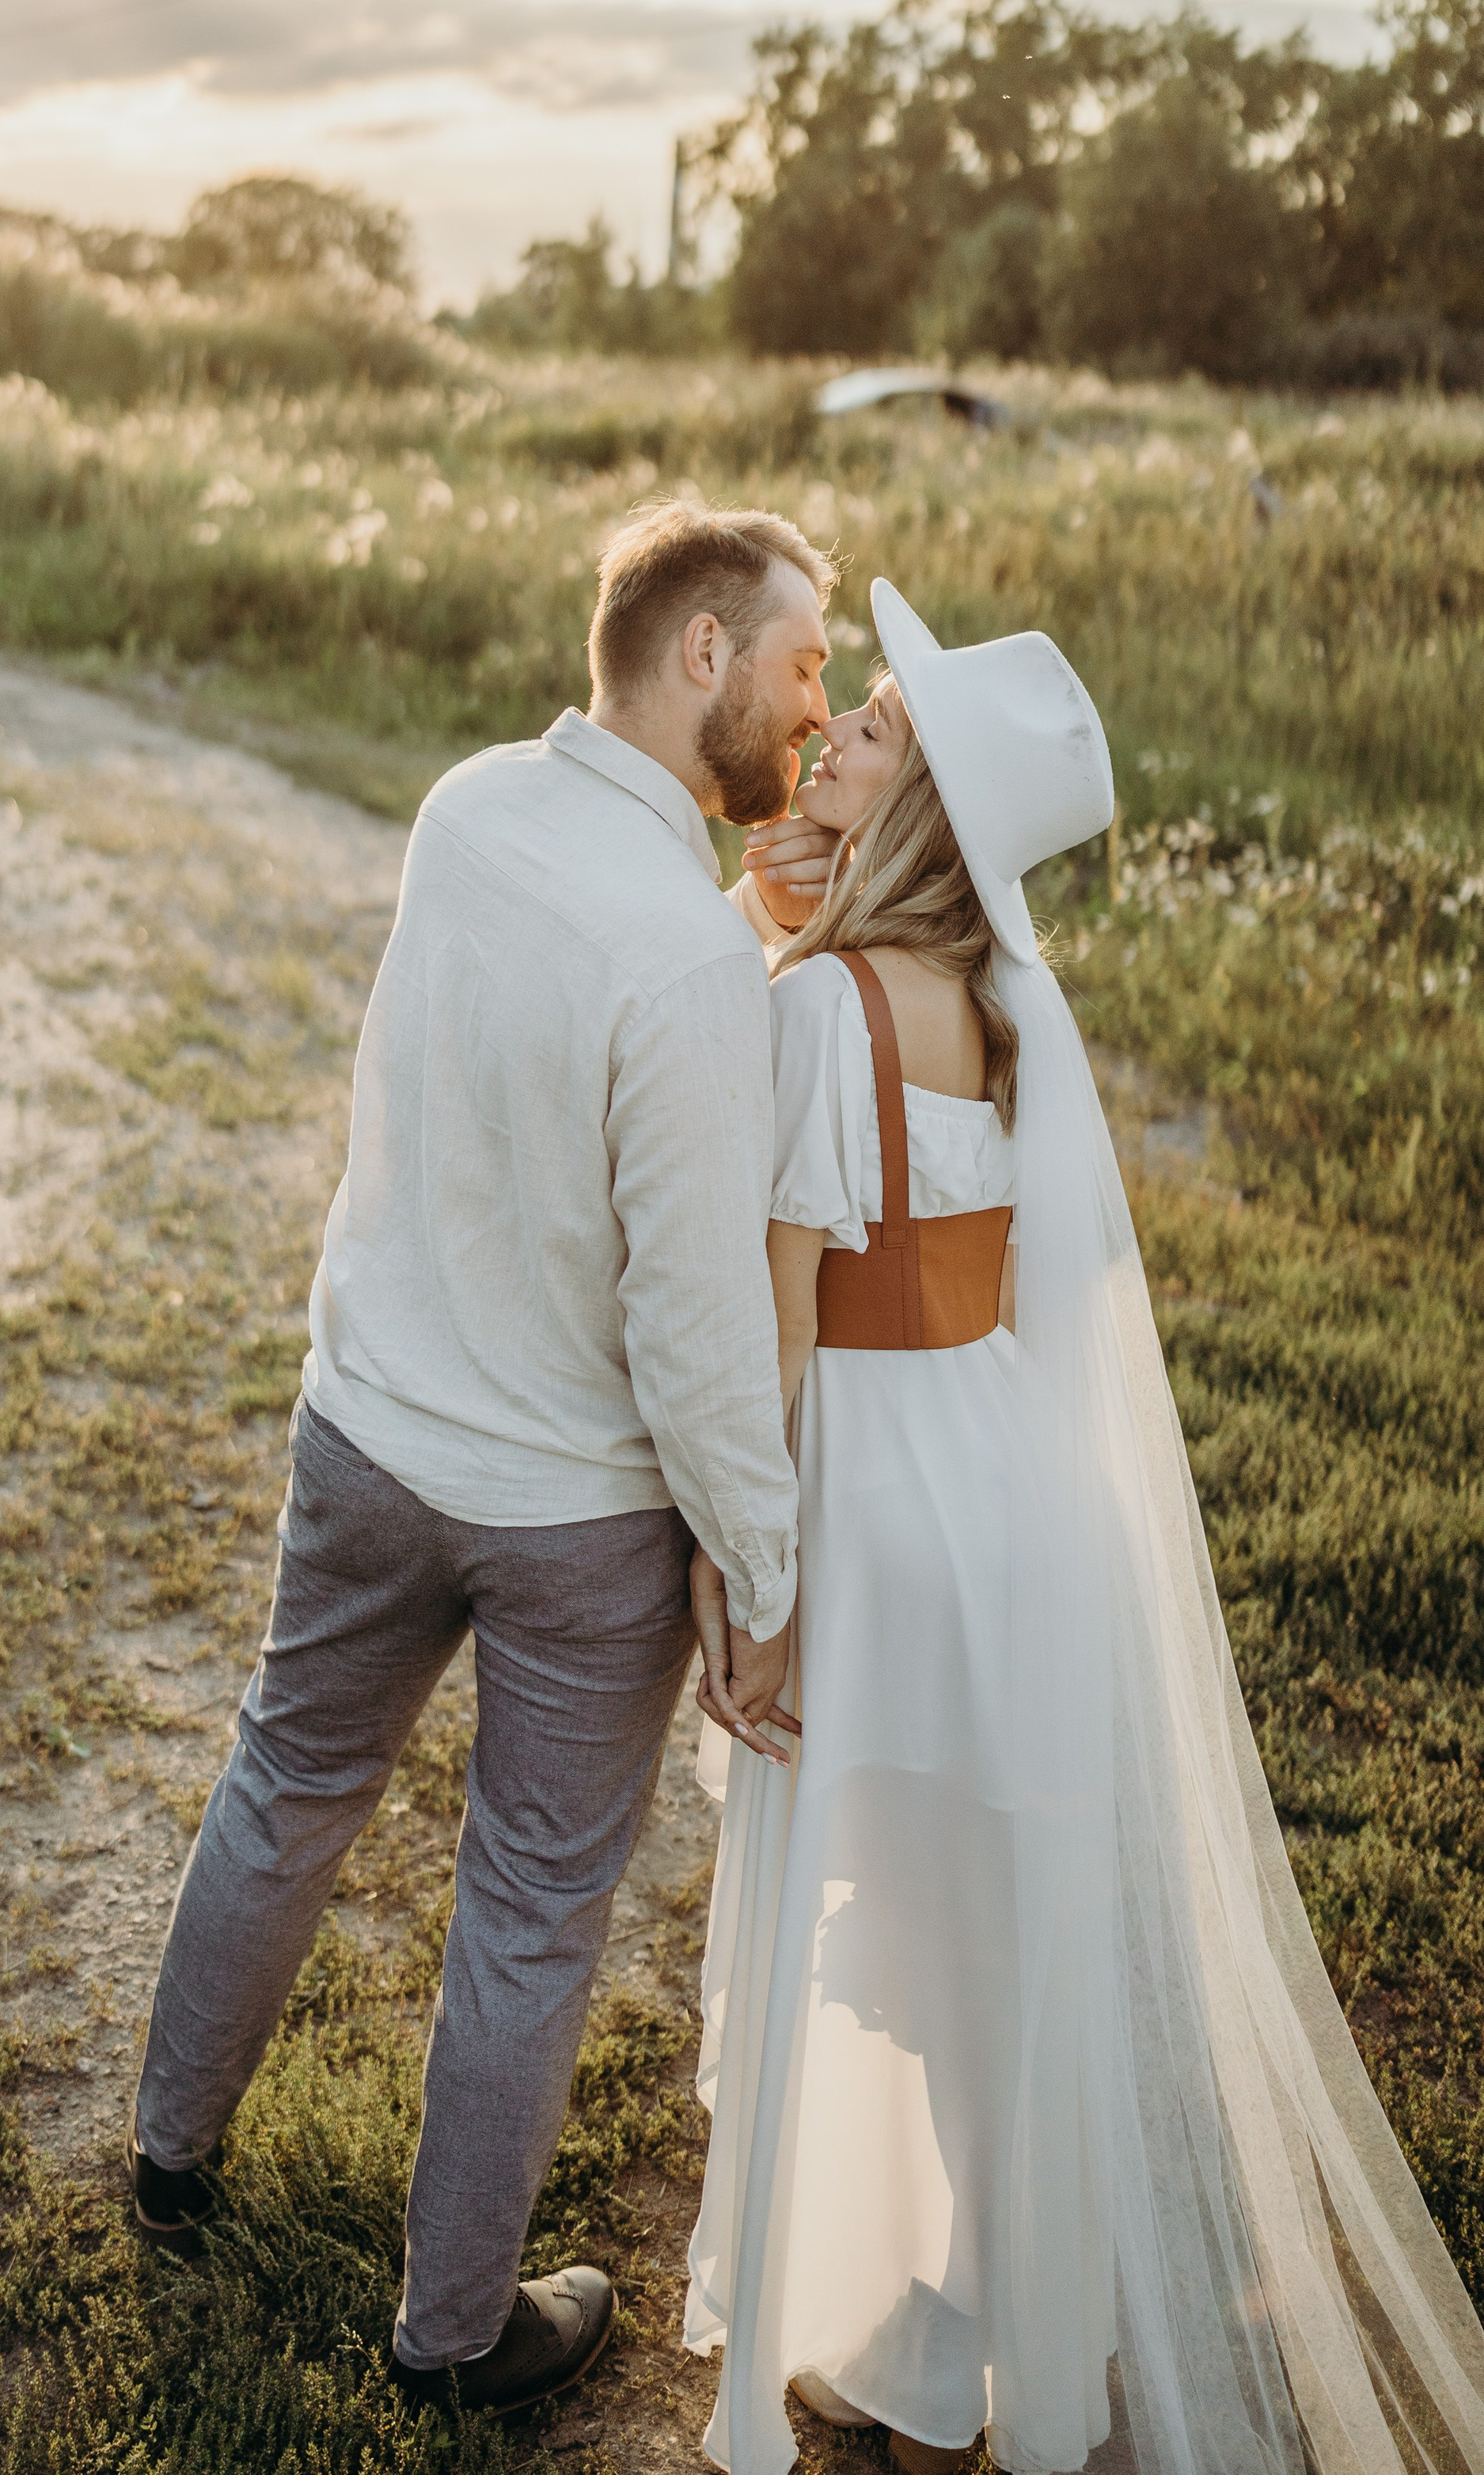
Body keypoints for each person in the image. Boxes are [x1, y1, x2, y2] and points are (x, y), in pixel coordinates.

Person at [685, 579, 1484, 2475]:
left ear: (926, 811)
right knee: (979, 1948)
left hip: (875, 1511)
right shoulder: (998, 1006)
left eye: (866, 729)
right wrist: (802, 879)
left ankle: (843, 2343)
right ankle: (997, 2324)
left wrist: (757, 1582)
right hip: (1017, 1515)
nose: (832, 739)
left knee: (830, 1911)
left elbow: (779, 1328)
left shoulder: (819, 1015)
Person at [130, 499, 833, 2419]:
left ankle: (167, 2158)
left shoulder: (457, 812)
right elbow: (697, 1340)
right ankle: (451, 2339)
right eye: (800, 659)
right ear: (698, 652)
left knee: (284, 1773)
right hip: (569, 1521)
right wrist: (756, 1582)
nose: (813, 699)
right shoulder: (683, 959)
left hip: (367, 1431)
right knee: (525, 1909)